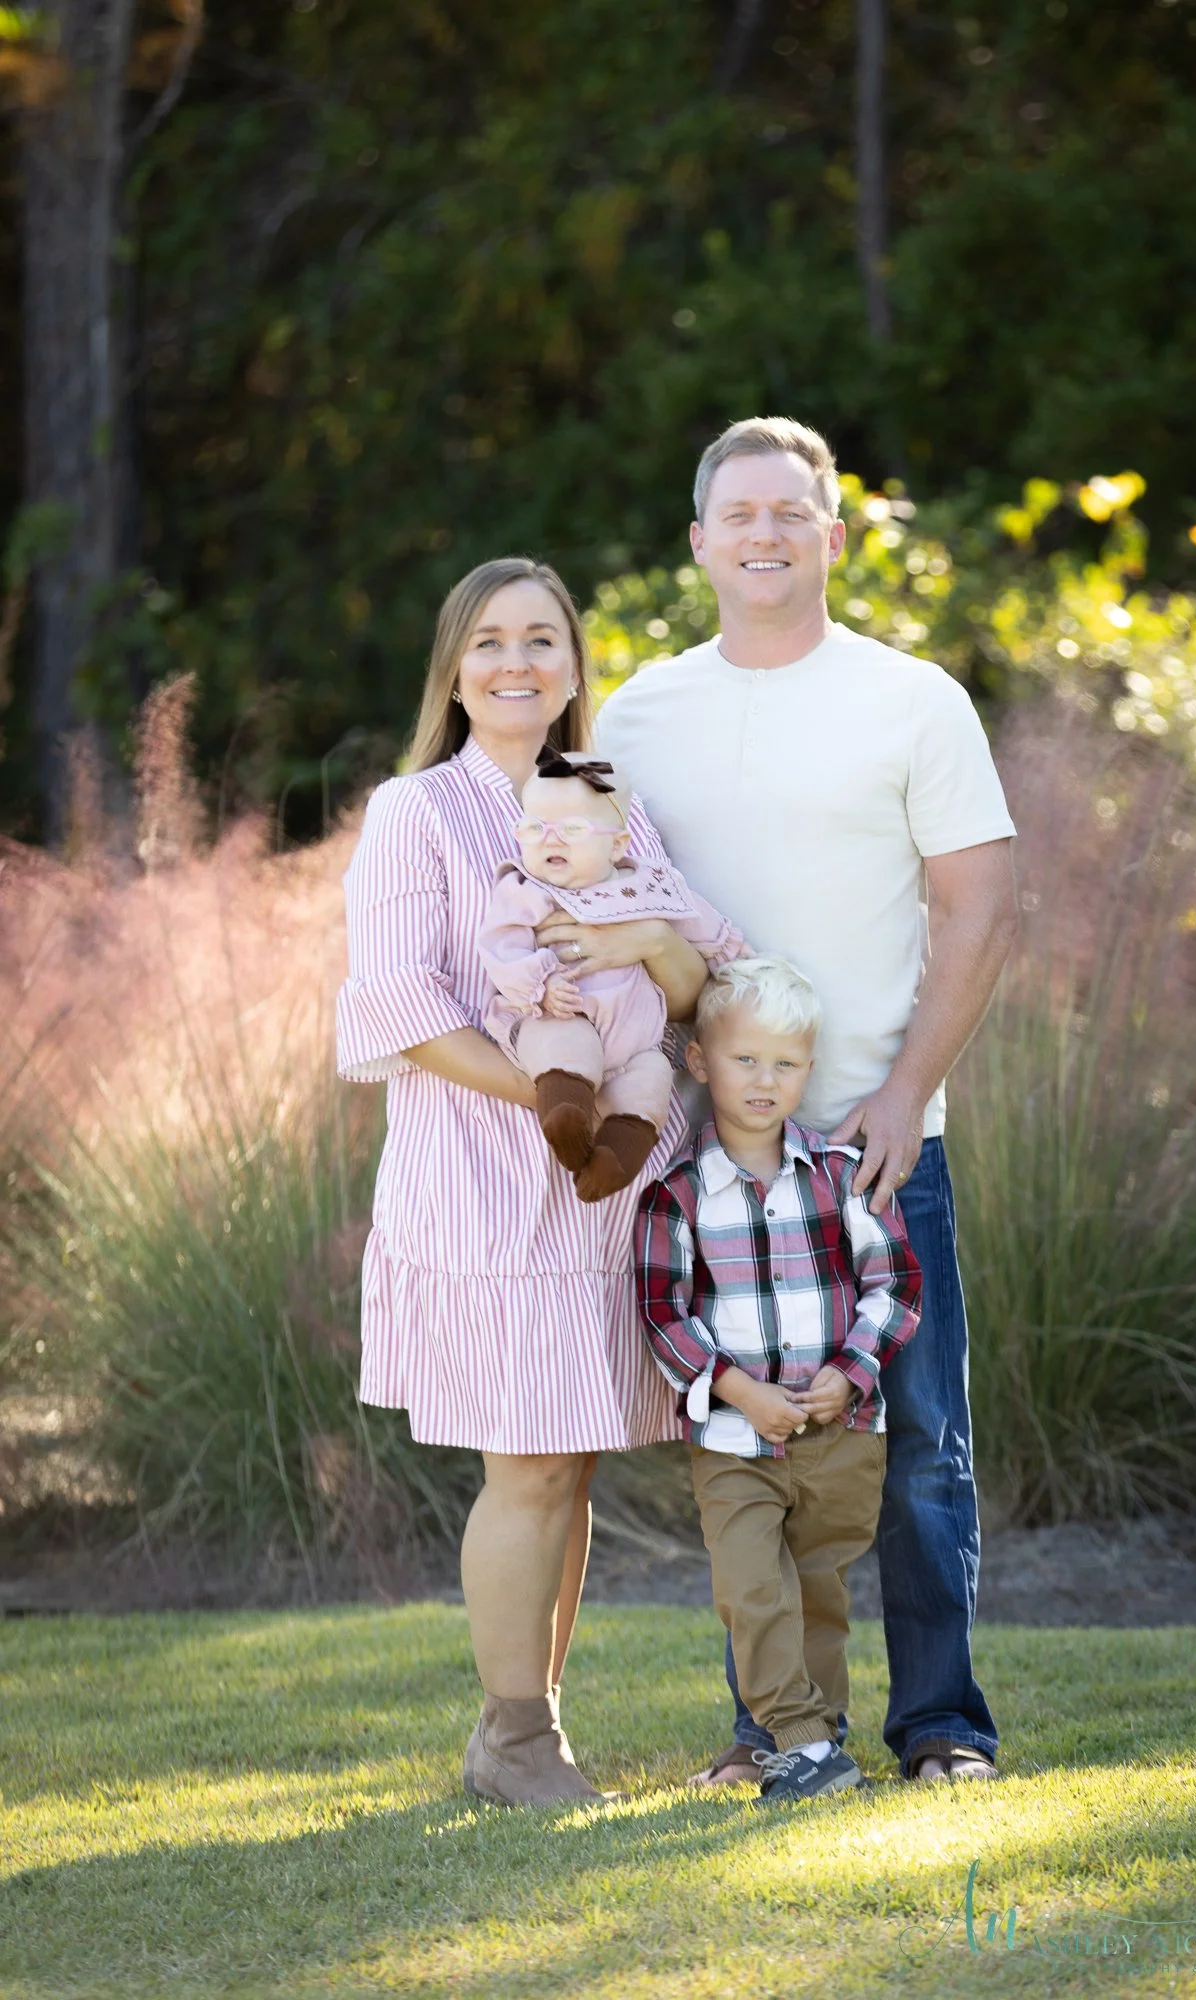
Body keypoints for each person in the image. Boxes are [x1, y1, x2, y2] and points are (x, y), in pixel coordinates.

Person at [597, 416, 1019, 1784]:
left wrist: (908, 1090)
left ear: (833, 535)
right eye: (740, 514)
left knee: (918, 1459)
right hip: (717, 1173)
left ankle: (941, 1725)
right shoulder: (638, 713)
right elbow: (604, 907)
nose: (765, 534)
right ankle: (774, 1728)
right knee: (753, 1462)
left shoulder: (911, 699)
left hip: (877, 1148)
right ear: (700, 542)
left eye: (793, 512)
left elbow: (979, 905)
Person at [336, 556, 712, 1806]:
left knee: (575, 1452)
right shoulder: (416, 811)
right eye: (489, 640)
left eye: (540, 639)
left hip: (612, 1183)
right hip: (489, 1175)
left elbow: (681, 980)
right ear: (453, 666)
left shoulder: (613, 802)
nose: (515, 662)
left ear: (571, 665)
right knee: (529, 1461)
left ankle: (533, 1726)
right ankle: (510, 1737)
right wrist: (550, 1099)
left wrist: (648, 951)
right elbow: (403, 1006)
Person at [636, 958, 921, 1802]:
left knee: (818, 1596)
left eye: (785, 1064)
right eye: (744, 1060)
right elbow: (664, 1313)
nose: (764, 1081)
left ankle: (815, 1745)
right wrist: (734, 1388)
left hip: (839, 1435)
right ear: (699, 1062)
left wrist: (851, 1374)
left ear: (809, 1068)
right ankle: (797, 1738)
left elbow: (894, 1284)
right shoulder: (677, 1198)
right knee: (754, 1590)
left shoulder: (841, 1175)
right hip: (736, 1441)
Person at [478, 743, 745, 1200]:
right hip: (564, 1011)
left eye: (573, 828)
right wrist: (540, 987)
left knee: (651, 1086)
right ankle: (567, 1115)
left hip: (638, 1040)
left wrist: (744, 969)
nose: (551, 840)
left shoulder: (649, 884)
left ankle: (614, 1159)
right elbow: (501, 948)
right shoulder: (524, 890)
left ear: (618, 843)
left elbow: (709, 930)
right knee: (566, 1046)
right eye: (535, 827)